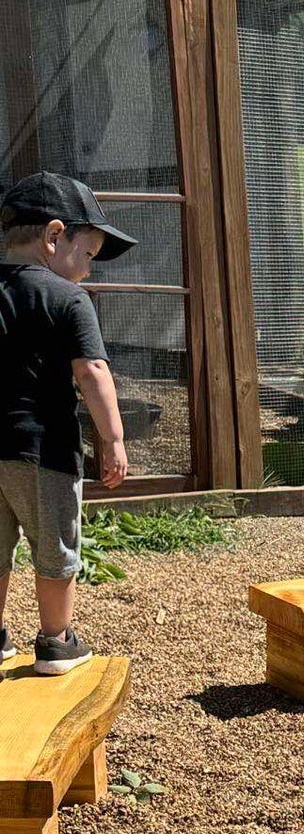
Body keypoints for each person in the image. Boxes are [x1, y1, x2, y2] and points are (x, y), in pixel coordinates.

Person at [0, 172, 135, 673]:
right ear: (55, 236)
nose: (88, 269)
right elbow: (92, 371)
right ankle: (56, 642)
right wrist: (114, 438)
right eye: (90, 254)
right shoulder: (68, 298)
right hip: (44, 450)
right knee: (55, 546)